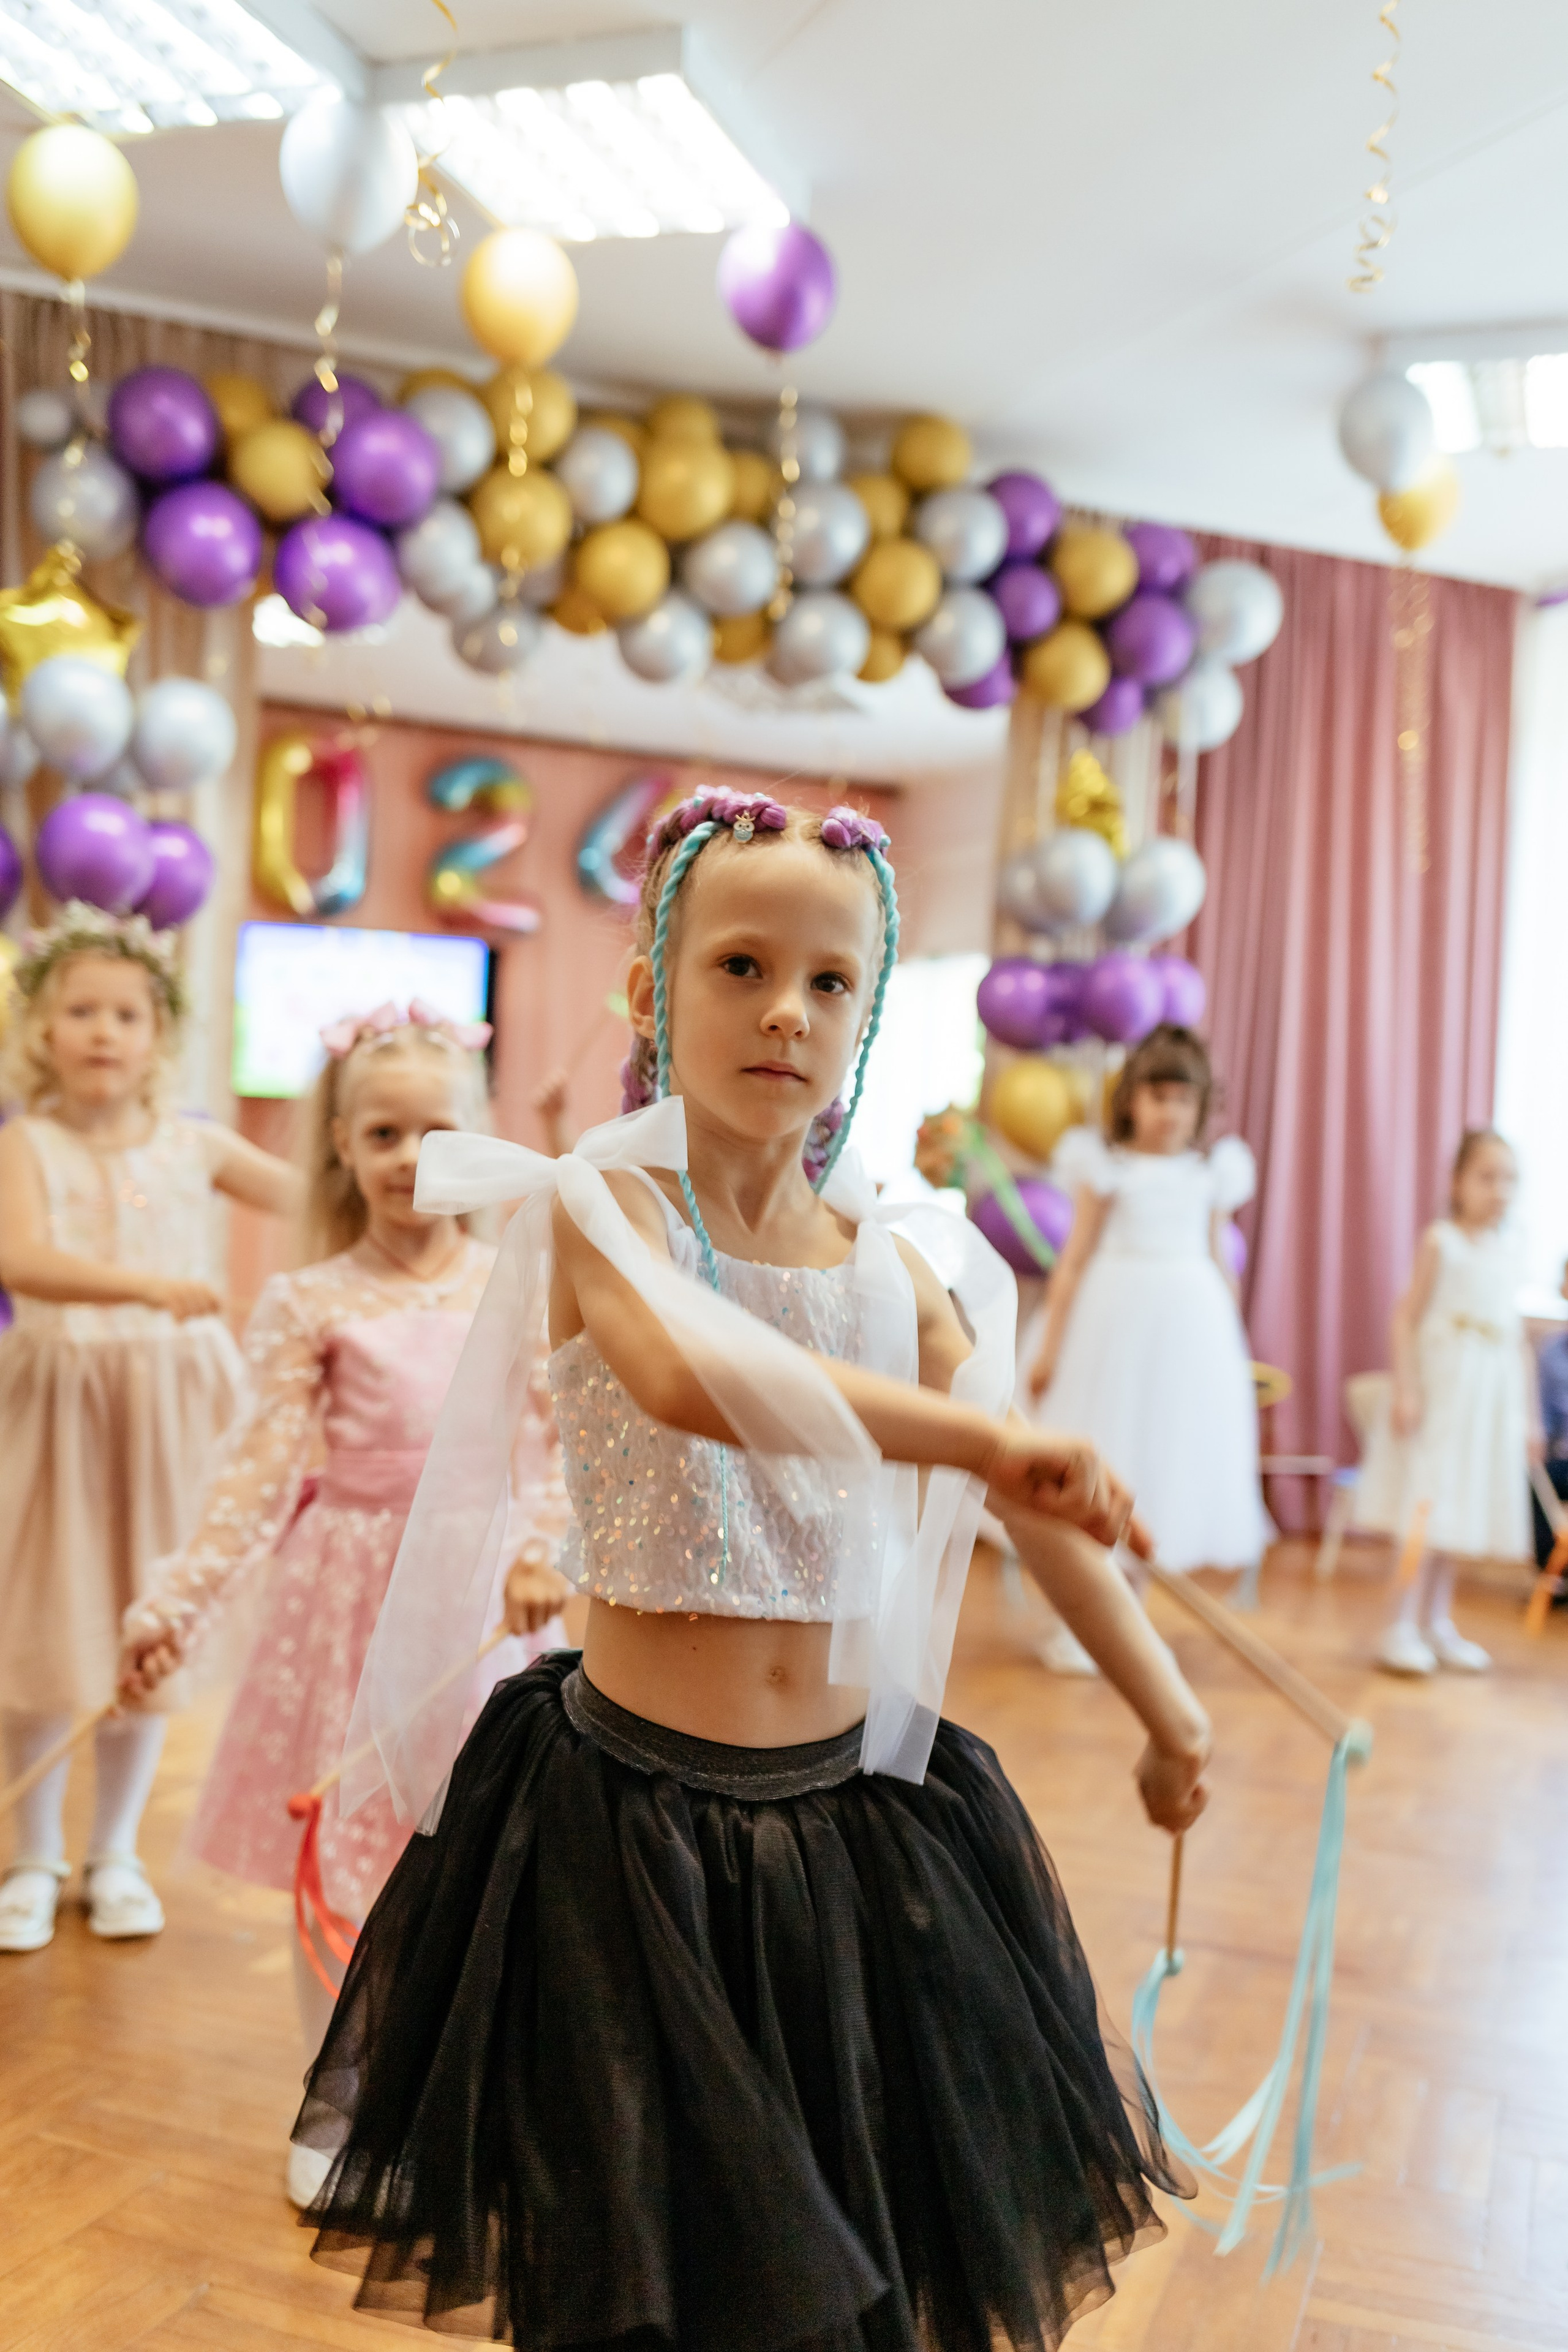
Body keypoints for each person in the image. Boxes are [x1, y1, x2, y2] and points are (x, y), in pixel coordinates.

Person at [290, 793, 1213, 2349]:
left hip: (861, 1831)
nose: (786, 1009)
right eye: (737, 964)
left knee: (863, 2274)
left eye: (831, 980)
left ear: (865, 1012)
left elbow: (1036, 1508)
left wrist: (1166, 1705)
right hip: (625, 1835)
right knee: (650, 2276)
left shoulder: (897, 1260)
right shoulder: (600, 1204)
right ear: (651, 988)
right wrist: (975, 1438)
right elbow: (684, 1371)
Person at [116, 1004, 573, 2205]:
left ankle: (453, 2090)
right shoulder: (310, 1299)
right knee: (350, 1845)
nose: (409, 1160)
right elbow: (254, 1474)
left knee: (470, 1850)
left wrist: (540, 1548)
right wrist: (173, 1605)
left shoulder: (513, 1289)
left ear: (476, 1138)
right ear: (340, 1147)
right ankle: (344, 2087)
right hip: (348, 1603)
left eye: (435, 1131)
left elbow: (561, 1448)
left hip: (480, 1599)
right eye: (381, 1133)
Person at [0, 904, 298, 1954]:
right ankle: (30, 1854)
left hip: (176, 1407)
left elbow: (321, 1203)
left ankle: (113, 1853)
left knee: (147, 1622)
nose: (102, 1030)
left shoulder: (195, 1145)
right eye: (80, 1009)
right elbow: (22, 1260)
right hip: (59, 1404)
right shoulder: (26, 1144)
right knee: (46, 1624)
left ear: (157, 1034)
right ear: (42, 1027)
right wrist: (149, 1285)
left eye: (125, 1013)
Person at [1022, 1025, 1268, 1673]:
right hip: (1113, 1319)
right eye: (1158, 1096)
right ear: (1131, 1099)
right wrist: (1049, 1349)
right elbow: (1073, 1262)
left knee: (1162, 1467)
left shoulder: (1211, 1173)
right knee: (1103, 1465)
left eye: (1184, 1100)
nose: (1170, 1112)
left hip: (1190, 1326)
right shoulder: (1105, 1167)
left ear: (1201, 1107)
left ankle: (1126, 1624)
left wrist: (1231, 1348)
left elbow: (1222, 1262)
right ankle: (1074, 1624)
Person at [1362, 1128, 1538, 1675]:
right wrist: (1408, 1387)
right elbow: (1404, 1317)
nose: (1499, 1190)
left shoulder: (1511, 1250)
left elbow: (1517, 1338)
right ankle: (1400, 1623)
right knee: (1428, 1502)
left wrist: (1528, 1416)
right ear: (1458, 1182)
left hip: (1491, 1396)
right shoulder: (1443, 1242)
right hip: (1445, 1387)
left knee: (1462, 1507)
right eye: (1487, 1177)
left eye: (1509, 1179)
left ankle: (1437, 1622)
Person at [1529, 1260, 1568, 1572]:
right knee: (1531, 1482)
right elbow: (1542, 1414)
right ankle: (1556, 1575)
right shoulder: (1552, 1350)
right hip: (1563, 1459)